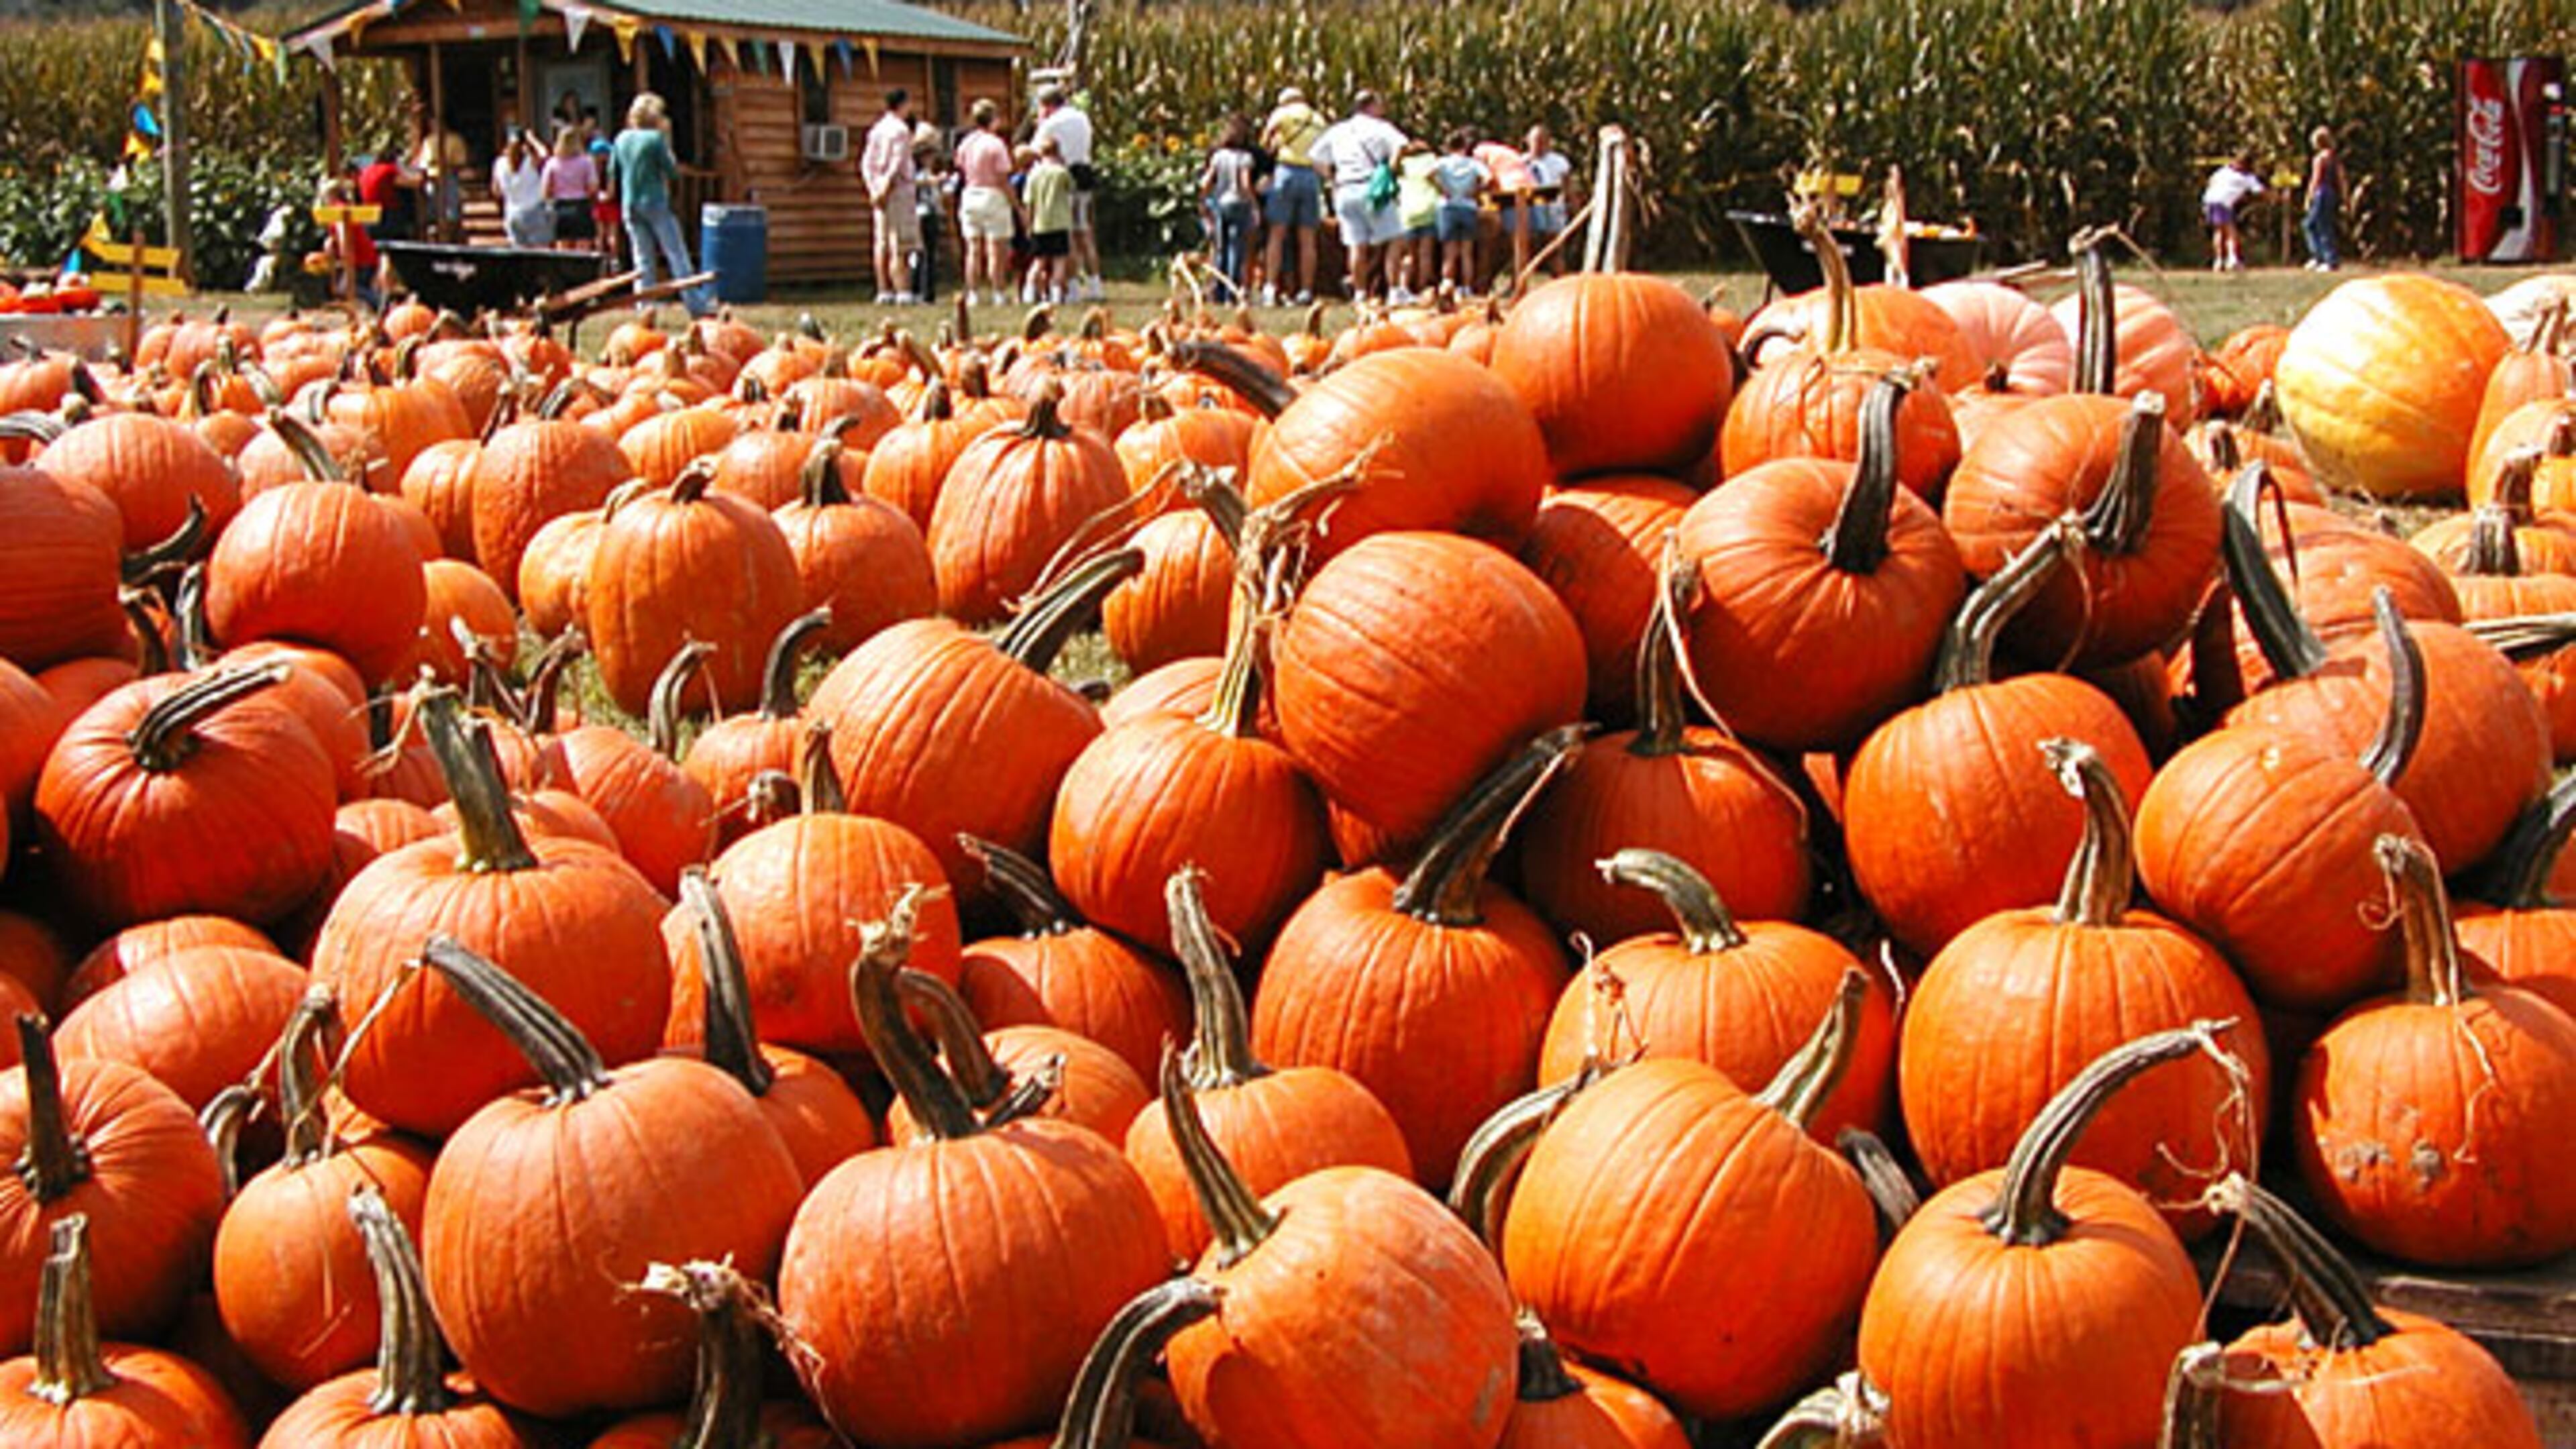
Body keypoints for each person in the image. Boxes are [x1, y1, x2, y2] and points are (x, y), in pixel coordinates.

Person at [614, 93, 712, 317]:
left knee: (642, 258)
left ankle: (644, 307)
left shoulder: (621, 139)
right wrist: (667, 140)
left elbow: (614, 170)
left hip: (629, 202)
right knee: (676, 253)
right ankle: (696, 305)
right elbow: (671, 169)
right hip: (655, 200)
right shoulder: (655, 139)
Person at [1311, 91, 1408, 303]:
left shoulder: (1338, 130)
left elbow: (1315, 157)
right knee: (1395, 239)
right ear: (1371, 106)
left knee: (1356, 244)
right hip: (1371, 187)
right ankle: (1394, 290)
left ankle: (1360, 292)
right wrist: (1389, 171)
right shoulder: (1380, 127)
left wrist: (1331, 176)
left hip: (1345, 189)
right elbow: (1401, 145)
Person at [1258, 85, 1327, 305]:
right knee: (1307, 237)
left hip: (1286, 171)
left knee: (1277, 233)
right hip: (1311, 175)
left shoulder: (1282, 114)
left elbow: (1266, 142)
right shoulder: (1318, 119)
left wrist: (1273, 146)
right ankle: (1306, 290)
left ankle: (1270, 287)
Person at [1034, 85, 1101, 302]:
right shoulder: (1082, 118)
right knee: (1085, 232)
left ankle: (1072, 287)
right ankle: (1095, 284)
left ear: (1047, 106)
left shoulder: (1051, 123)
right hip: (1085, 174)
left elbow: (1037, 149)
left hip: (1063, 177)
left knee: (1068, 233)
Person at [954, 98, 1017, 307]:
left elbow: (961, 168)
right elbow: (1002, 177)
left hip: (971, 193)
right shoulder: (996, 144)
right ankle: (998, 291)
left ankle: (973, 292)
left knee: (973, 247)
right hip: (992, 194)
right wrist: (1016, 204)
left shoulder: (966, 143)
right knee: (996, 248)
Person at [861, 89, 920, 304]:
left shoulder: (876, 130)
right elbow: (896, 162)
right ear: (903, 105)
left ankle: (883, 289)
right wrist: (886, 187)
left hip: (878, 190)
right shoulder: (901, 130)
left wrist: (874, 189)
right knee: (900, 243)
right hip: (898, 190)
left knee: (882, 242)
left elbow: (867, 163)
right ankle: (902, 290)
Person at [1201, 116, 1258, 301]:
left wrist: (1203, 200)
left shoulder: (1218, 156)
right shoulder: (1245, 158)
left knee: (1220, 248)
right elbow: (1245, 183)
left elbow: (1207, 181)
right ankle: (1231, 292)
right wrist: (1254, 205)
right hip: (1239, 204)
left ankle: (1218, 290)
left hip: (1221, 204)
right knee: (1236, 249)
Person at [1432, 128, 1491, 294]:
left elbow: (1428, 174)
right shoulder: (1473, 163)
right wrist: (1476, 191)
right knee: (1467, 252)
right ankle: (1466, 287)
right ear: (1465, 146)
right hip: (1468, 206)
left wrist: (1441, 187)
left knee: (1449, 252)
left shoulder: (1443, 162)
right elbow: (1489, 178)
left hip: (1448, 206)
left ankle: (1448, 285)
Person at [317, 178, 382, 311]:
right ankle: (378, 308)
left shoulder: (339, 210)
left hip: (360, 258)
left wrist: (346, 258)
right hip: (365, 256)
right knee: (357, 289)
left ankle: (382, 304)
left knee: (349, 288)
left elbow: (344, 234)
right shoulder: (342, 208)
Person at [1023, 136, 1075, 305]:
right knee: (1059, 260)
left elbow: (1029, 201)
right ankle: (1056, 293)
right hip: (1060, 222)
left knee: (1039, 261)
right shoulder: (1061, 172)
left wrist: (1029, 223)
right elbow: (1071, 189)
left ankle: (1029, 291)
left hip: (1040, 223)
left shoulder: (1034, 174)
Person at [1519, 125, 1575, 280]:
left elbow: (1568, 186)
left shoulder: (1559, 162)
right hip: (1530, 210)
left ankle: (1559, 281)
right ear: (1528, 141)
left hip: (1553, 210)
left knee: (1554, 248)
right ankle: (1522, 283)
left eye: (1542, 141)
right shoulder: (1521, 162)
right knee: (1526, 249)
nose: (1539, 145)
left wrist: (1573, 206)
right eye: (1535, 141)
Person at [1393, 139, 1441, 302]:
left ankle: (1403, 286)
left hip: (1406, 212)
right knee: (1425, 253)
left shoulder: (1404, 164)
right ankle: (1423, 289)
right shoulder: (1431, 161)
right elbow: (1437, 180)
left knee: (1408, 255)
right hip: (1428, 210)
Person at [2202, 154, 2264, 272]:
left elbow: (2211, 182)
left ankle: (2219, 261)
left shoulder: (2223, 171)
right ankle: (2232, 260)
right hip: (2223, 202)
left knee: (2219, 231)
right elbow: (2259, 192)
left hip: (2210, 200)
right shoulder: (2247, 177)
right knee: (2231, 231)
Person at [541, 126, 598, 252]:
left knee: (562, 246)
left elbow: (545, 189)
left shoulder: (552, 163)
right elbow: (593, 187)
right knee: (584, 246)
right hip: (581, 204)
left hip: (560, 206)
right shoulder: (587, 162)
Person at [493, 128, 552, 249]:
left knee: (519, 255)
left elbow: (496, 191)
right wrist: (533, 139)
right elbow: (545, 154)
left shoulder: (499, 163)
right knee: (540, 254)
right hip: (534, 210)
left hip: (512, 213)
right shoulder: (530, 161)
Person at [355, 138, 421, 244]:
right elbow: (413, 183)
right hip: (386, 218)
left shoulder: (366, 172)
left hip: (368, 219)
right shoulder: (388, 170)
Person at [415, 118, 470, 241]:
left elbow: (461, 162)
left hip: (449, 176)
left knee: (452, 209)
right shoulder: (428, 141)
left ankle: (451, 233)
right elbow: (423, 163)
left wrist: (446, 165)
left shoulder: (455, 140)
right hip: (432, 177)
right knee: (432, 208)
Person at [912, 121, 949, 305]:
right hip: (924, 213)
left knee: (922, 254)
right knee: (926, 255)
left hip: (926, 212)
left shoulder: (924, 171)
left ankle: (920, 290)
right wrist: (934, 181)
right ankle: (926, 293)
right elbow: (917, 183)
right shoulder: (918, 172)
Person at [2304, 125, 2344, 272]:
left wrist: (2308, 197)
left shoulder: (2319, 159)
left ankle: (2326, 258)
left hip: (2321, 193)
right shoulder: (2334, 158)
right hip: (2331, 193)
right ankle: (2322, 257)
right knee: (2319, 224)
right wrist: (2345, 198)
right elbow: (2341, 179)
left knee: (2316, 225)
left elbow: (2315, 179)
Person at [584, 109, 622, 264]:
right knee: (612, 234)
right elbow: (612, 190)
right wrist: (607, 196)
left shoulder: (592, 170)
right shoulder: (612, 170)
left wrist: (597, 197)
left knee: (600, 234)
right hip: (612, 203)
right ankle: (614, 260)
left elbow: (590, 188)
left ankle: (600, 260)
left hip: (599, 204)